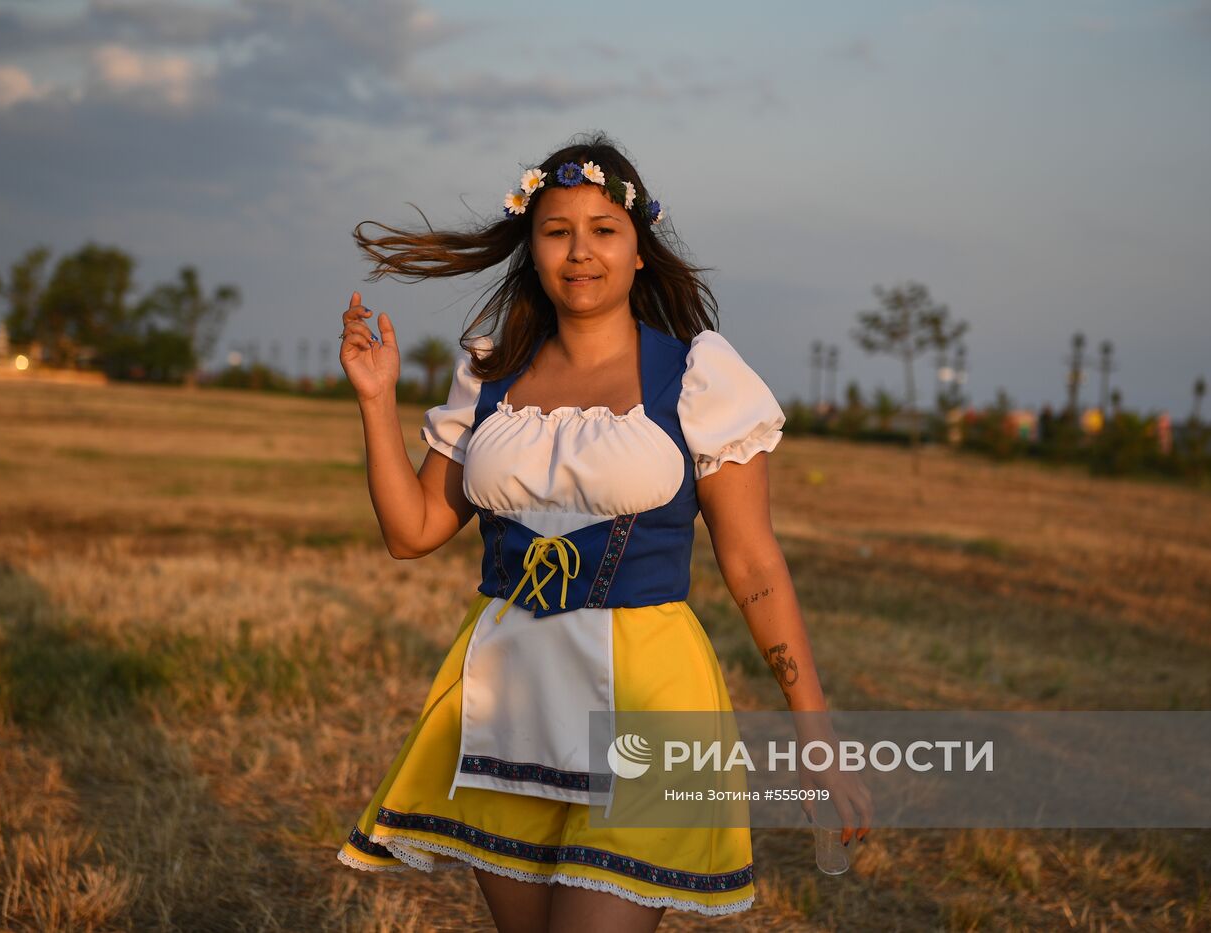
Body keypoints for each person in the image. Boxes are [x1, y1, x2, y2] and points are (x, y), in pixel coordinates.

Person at [335, 132, 871, 931]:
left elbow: (754, 564)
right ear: (532, 248)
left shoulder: (697, 377)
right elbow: (412, 532)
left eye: (603, 230)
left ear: (639, 250)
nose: (580, 251)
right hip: (507, 695)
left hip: (649, 703)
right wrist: (376, 400)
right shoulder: (491, 373)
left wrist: (814, 733)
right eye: (557, 231)